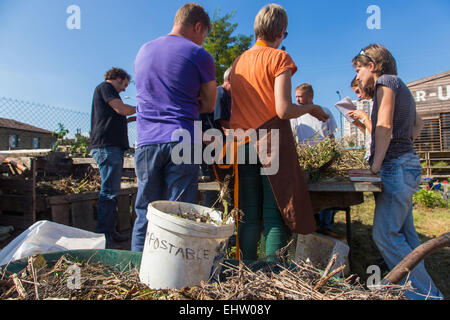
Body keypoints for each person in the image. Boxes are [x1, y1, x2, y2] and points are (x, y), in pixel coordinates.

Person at [228, 4, 329, 261]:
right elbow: (283, 110)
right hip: (270, 143)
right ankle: (273, 278)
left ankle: (245, 271)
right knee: (274, 215)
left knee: (248, 213)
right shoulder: (279, 58)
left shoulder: (238, 62)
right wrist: (312, 107)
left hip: (242, 143)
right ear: (282, 31)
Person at [352, 44, 442, 300]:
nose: (358, 76)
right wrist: (405, 145)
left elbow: (383, 125)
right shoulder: (401, 85)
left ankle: (427, 296)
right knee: (407, 237)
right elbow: (418, 124)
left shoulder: (387, 81)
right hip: (407, 163)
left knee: (385, 235)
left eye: (359, 69)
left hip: (396, 166)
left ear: (371, 65)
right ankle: (421, 290)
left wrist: (376, 166)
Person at [132, 3, 216, 252]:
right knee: (177, 214)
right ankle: (172, 281)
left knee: (145, 212)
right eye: (203, 35)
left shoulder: (143, 51)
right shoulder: (199, 54)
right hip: (182, 139)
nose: (202, 41)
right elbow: (209, 104)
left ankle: (135, 276)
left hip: (146, 141)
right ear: (198, 26)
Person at [89, 67, 136, 248]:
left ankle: (109, 231)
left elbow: (117, 116)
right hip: (107, 147)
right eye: (124, 84)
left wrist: (130, 118)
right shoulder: (106, 87)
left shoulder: (106, 93)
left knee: (111, 192)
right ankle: (104, 236)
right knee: (108, 193)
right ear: (118, 78)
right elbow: (121, 109)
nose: (125, 89)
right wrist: (142, 109)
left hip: (110, 148)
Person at [290, 83, 341, 238]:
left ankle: (326, 226)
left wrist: (333, 153)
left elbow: (331, 135)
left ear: (310, 96)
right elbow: (292, 137)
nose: (297, 99)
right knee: (309, 192)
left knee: (326, 191)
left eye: (300, 96)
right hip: (305, 159)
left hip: (323, 158)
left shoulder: (325, 112)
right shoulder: (296, 115)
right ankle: (311, 224)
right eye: (296, 96)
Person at [199, 67, 232, 207]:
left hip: (214, 147)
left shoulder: (225, 95)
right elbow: (223, 123)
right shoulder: (221, 93)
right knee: (212, 186)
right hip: (210, 147)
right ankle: (209, 219)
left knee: (218, 185)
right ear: (229, 80)